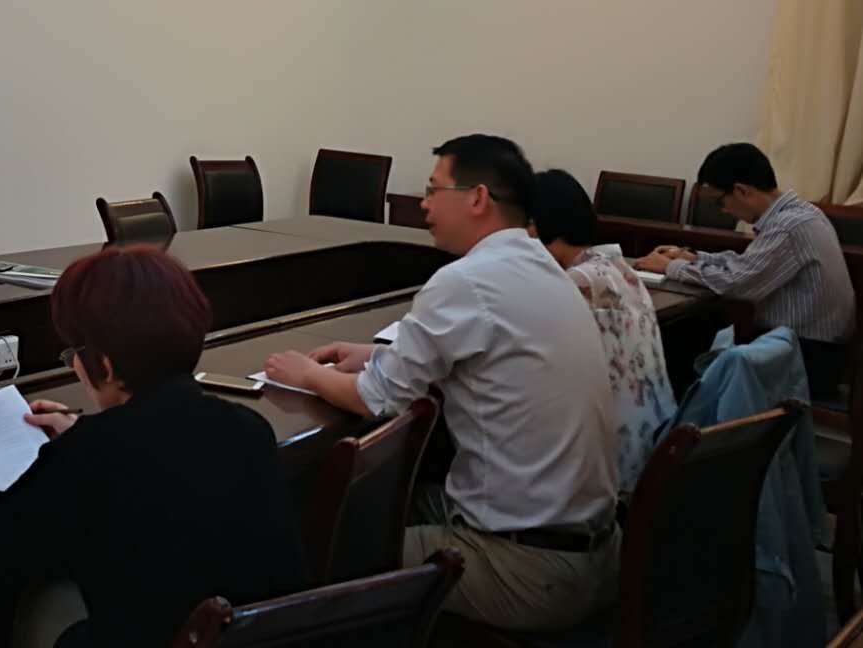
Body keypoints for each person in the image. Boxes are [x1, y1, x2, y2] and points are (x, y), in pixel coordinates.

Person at [265, 135, 618, 632]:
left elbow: (374, 398)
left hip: (525, 569)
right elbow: (474, 351)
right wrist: (377, 355)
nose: (424, 204)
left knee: (322, 543)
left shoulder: (468, 280)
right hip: (593, 550)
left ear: (477, 198)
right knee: (381, 499)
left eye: (433, 190)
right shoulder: (542, 267)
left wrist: (307, 374)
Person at [0, 247, 304, 648]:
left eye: (74, 353)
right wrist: (86, 432)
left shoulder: (85, 458)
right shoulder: (249, 428)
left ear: (105, 365)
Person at [633, 142, 854, 398]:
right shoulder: (801, 213)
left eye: (720, 202)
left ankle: (683, 415)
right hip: (806, 348)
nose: (724, 211)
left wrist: (671, 266)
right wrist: (693, 257)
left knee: (682, 346)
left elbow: (737, 283)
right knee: (694, 337)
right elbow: (749, 264)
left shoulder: (787, 227)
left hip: (807, 358)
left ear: (741, 191)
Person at [530, 169, 676, 490]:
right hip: (650, 449)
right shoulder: (616, 266)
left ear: (534, 226)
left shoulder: (578, 282)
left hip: (609, 468)